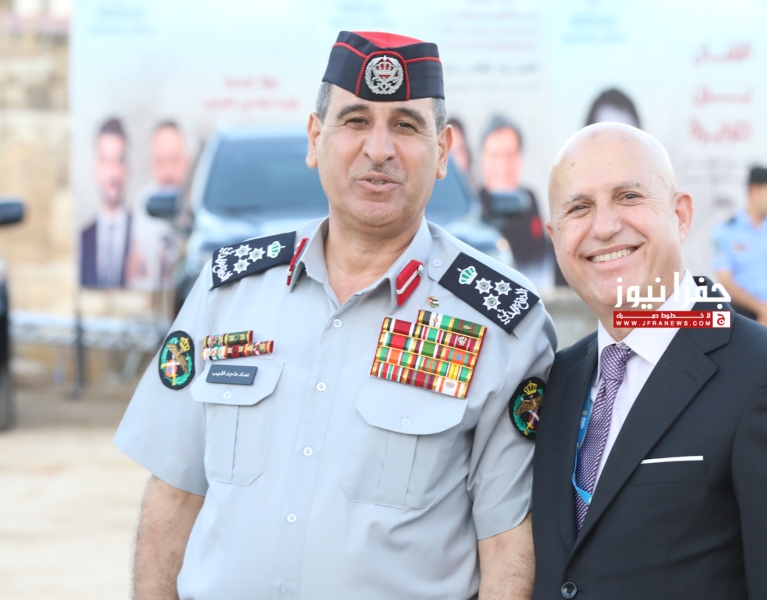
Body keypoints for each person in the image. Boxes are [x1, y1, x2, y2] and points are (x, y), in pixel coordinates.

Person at [115, 30, 555, 600]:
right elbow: (174, 495)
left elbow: (507, 541)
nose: (379, 149)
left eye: (406, 125)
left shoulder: (502, 323)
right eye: (355, 120)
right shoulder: (228, 291)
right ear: (315, 137)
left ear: (444, 151)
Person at [531, 123, 767, 599]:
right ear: (556, 236)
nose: (603, 227)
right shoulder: (558, 378)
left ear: (681, 216)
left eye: (628, 196)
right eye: (579, 207)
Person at [711, 166, 767, 336]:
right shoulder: (726, 231)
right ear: (754, 191)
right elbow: (725, 279)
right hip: (741, 316)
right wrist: (763, 309)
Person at [478, 115, 552, 288]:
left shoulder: (530, 199)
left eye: (510, 154)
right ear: (483, 158)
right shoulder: (473, 205)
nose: (503, 164)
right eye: (495, 155)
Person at [130, 120, 191, 291]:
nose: (167, 171)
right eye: (160, 161)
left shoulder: (199, 199)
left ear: (187, 161)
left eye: (174, 160)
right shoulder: (143, 204)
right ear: (151, 163)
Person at [80, 117, 132, 288]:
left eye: (119, 160)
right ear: (96, 167)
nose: (113, 173)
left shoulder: (141, 235)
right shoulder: (82, 239)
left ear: (127, 167)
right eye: (106, 161)